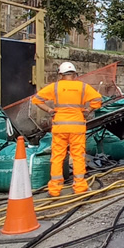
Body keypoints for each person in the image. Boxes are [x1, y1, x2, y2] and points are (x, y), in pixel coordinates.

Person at [32, 62, 103, 197]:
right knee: (78, 156)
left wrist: (49, 110)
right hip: (77, 127)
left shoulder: (55, 87)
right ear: (75, 74)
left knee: (57, 156)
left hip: (60, 127)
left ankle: (54, 189)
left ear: (60, 74)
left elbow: (37, 100)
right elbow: (98, 99)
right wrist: (88, 109)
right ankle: (80, 186)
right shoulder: (82, 87)